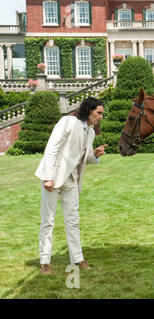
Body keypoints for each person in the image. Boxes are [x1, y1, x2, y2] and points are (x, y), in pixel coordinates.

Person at [35, 97, 108, 275]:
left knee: (73, 221)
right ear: (88, 110)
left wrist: (95, 155)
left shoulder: (90, 132)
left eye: (101, 114)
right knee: (48, 221)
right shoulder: (67, 121)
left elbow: (82, 158)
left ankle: (78, 259)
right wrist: (48, 177)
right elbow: (52, 148)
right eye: (98, 113)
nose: (100, 117)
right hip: (53, 177)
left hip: (72, 181)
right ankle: (45, 262)